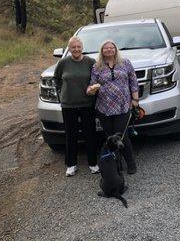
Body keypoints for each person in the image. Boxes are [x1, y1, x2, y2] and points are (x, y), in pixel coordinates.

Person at [87, 40, 139, 174]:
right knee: (110, 137)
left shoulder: (125, 63)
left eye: (111, 48)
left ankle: (131, 163)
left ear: (115, 50)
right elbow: (91, 85)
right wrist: (92, 89)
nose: (109, 50)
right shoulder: (96, 66)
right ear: (102, 51)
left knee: (121, 136)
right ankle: (115, 164)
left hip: (123, 106)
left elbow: (133, 81)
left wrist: (135, 99)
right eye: (106, 48)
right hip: (104, 108)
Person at [53, 36, 99, 177]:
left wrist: (93, 90)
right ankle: (71, 164)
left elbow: (97, 79)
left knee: (89, 134)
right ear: (69, 48)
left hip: (87, 103)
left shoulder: (90, 62)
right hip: (69, 105)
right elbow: (57, 79)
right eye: (73, 47)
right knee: (70, 134)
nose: (76, 49)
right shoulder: (63, 63)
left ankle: (93, 163)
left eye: (78, 47)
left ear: (82, 48)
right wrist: (63, 94)